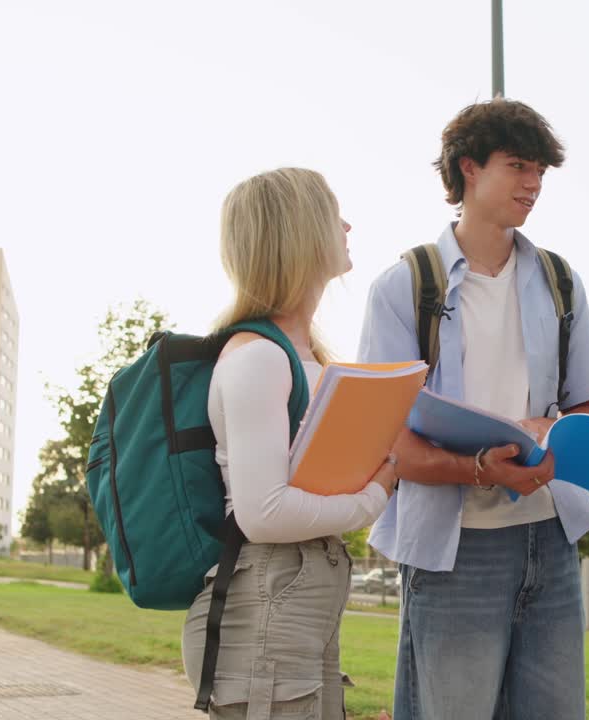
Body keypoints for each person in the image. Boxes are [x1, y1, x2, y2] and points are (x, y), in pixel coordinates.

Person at [357, 98, 589, 720]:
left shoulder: (560, 280)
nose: (533, 184)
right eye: (519, 166)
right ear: (468, 169)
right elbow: (389, 443)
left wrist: (557, 441)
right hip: (454, 552)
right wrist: (481, 470)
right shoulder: (405, 288)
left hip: (548, 541)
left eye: (541, 172)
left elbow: (588, 410)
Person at [181, 168, 396, 719]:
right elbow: (265, 514)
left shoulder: (302, 359)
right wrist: (378, 492)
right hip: (269, 604)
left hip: (293, 601)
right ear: (298, 233)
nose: (347, 225)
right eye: (332, 213)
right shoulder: (258, 358)